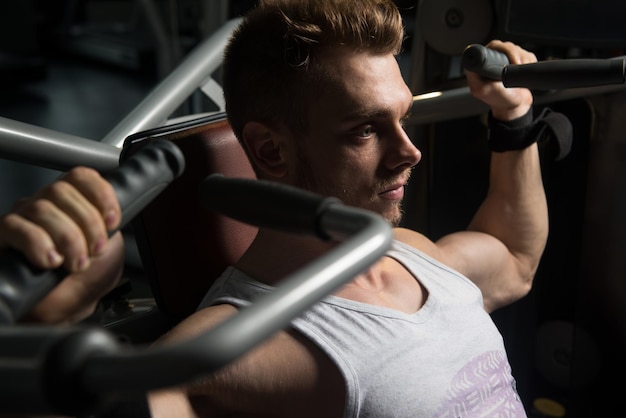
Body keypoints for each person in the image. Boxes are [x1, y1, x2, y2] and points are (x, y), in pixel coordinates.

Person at [0, 0, 550, 416]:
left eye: (401, 119)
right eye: (365, 129)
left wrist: (514, 123)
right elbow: (132, 397)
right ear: (270, 150)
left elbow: (514, 258)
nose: (409, 151)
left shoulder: (407, 251)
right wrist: (52, 325)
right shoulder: (235, 346)